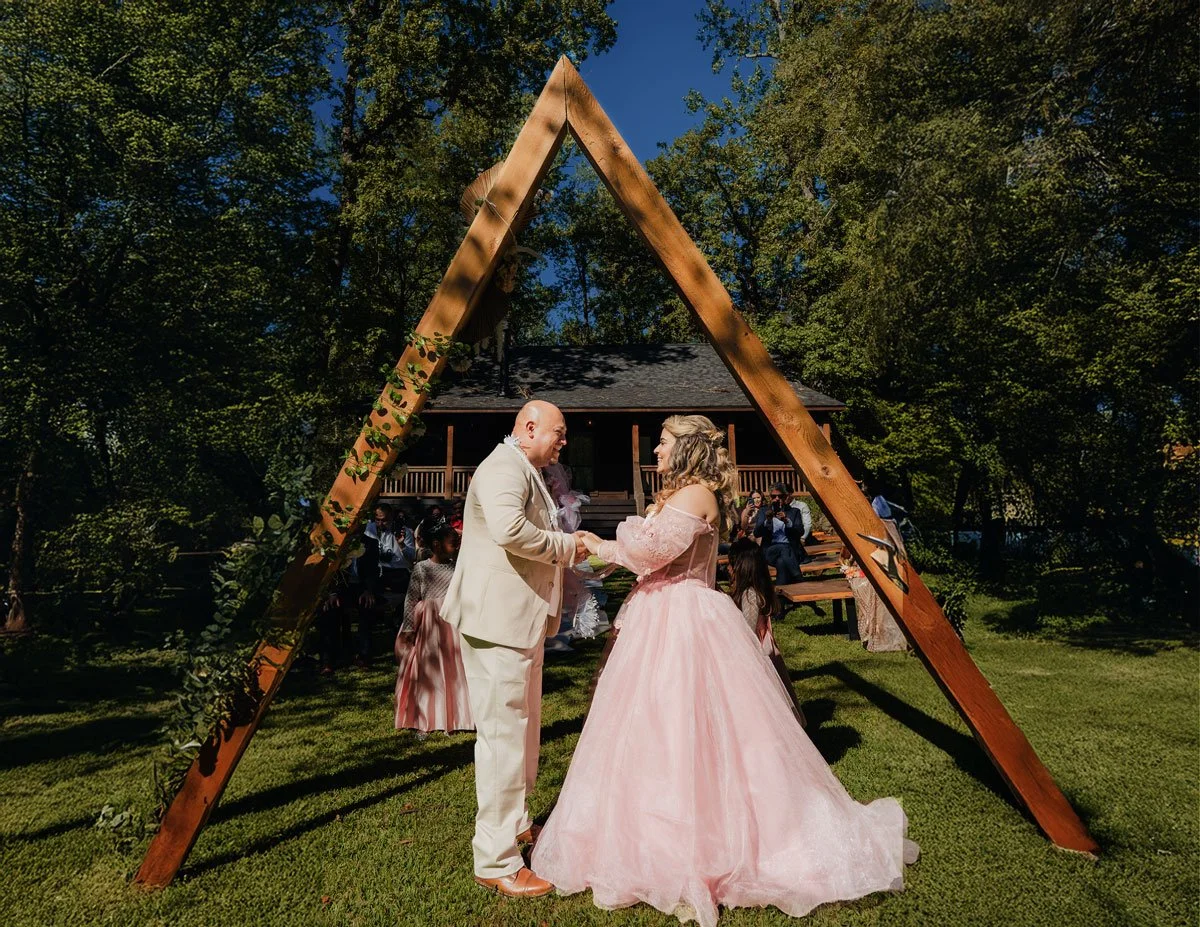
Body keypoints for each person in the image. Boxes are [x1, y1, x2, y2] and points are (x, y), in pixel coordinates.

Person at [532, 414, 917, 926]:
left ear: (688, 448)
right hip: (657, 615)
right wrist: (589, 552)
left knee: (689, 725)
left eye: (664, 444)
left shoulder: (695, 496)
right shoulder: (677, 496)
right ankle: (645, 829)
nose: (656, 453)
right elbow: (644, 555)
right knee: (647, 727)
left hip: (684, 619)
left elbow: (648, 552)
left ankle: (706, 841)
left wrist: (596, 544)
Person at [441, 400, 588, 899]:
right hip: (496, 623)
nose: (563, 441)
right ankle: (496, 859)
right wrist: (568, 547)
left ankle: (519, 826)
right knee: (503, 739)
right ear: (528, 428)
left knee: (522, 733)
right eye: (558, 432)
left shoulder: (524, 467)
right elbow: (508, 531)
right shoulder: (502, 467)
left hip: (517, 623)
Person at [394, 524, 473, 733]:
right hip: (431, 623)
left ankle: (457, 714)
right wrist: (409, 628)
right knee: (431, 667)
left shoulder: (458, 567)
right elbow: (411, 599)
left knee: (455, 666)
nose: (456, 545)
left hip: (454, 622)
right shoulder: (421, 568)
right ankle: (428, 714)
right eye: (451, 542)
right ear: (436, 545)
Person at [726, 537, 806, 726]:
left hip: (757, 651)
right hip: (766, 645)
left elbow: (747, 628)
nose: (728, 569)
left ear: (741, 566)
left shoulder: (750, 594)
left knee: (765, 695)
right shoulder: (758, 589)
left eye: (731, 564)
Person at [753, 482, 811, 585]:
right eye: (773, 496)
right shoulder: (764, 511)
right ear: (770, 497)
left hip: (791, 551)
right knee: (783, 548)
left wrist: (787, 521)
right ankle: (799, 578)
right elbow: (757, 533)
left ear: (786, 497)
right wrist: (768, 521)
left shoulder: (794, 512)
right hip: (770, 550)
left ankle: (781, 594)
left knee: (781, 562)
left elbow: (800, 532)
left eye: (780, 496)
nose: (777, 499)